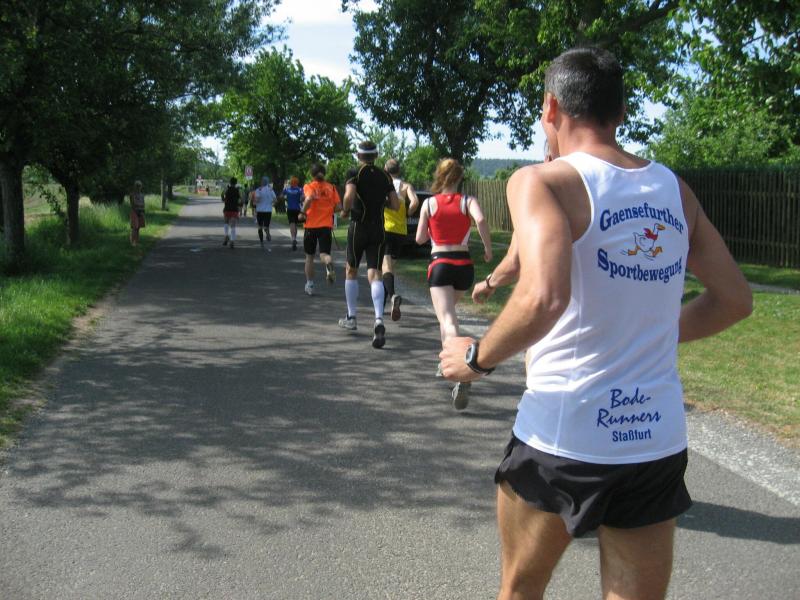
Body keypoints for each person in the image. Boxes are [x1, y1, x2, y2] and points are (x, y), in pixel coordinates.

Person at [439, 47, 753, 600]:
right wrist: (650, 329)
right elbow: (734, 300)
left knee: (521, 589)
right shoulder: (674, 190)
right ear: (621, 111)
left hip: (564, 435)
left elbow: (543, 296)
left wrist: (475, 360)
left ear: (551, 107)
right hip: (653, 441)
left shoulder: (541, 182)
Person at [415, 158, 492, 409]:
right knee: (445, 315)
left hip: (440, 264)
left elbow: (419, 238)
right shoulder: (467, 201)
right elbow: (481, 220)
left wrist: (432, 229)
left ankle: (462, 371)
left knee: (447, 319)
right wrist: (488, 249)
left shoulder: (429, 203)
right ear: (459, 177)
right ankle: (445, 362)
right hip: (464, 267)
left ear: (439, 176)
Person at [338, 140, 400, 349]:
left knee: (351, 270)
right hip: (378, 228)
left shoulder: (354, 173)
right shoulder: (385, 176)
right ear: (376, 155)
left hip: (359, 227)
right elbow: (395, 204)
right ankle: (378, 319)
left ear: (358, 156)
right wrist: (381, 202)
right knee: (375, 273)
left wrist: (345, 210)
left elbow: (349, 196)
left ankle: (351, 317)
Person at [382, 158, 419, 321]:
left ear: (386, 170)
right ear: (399, 170)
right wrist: (408, 212)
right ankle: (383, 304)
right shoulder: (406, 186)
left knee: (385, 267)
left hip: (386, 229)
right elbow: (415, 202)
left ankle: (392, 296)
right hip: (400, 231)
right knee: (389, 268)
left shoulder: (384, 185)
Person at [301, 164, 341, 296]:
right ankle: (328, 264)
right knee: (324, 254)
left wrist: (302, 213)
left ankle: (310, 285)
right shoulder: (331, 187)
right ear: (325, 173)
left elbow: (309, 199)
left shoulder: (309, 186)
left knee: (309, 257)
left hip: (311, 226)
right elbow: (339, 207)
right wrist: (329, 209)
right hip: (325, 226)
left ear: (312, 175)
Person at [254, 176, 276, 252]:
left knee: (259, 227)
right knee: (266, 226)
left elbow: (257, 200)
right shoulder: (271, 189)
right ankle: (267, 232)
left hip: (260, 210)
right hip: (268, 211)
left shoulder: (258, 190)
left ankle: (261, 242)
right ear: (267, 182)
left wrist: (255, 201)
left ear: (262, 182)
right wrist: (271, 204)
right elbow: (275, 199)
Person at [284, 176, 305, 251]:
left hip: (290, 209)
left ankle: (293, 238)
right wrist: (300, 200)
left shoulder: (287, 189)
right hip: (297, 209)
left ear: (291, 183)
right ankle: (294, 238)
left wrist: (287, 198)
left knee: (292, 223)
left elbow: (281, 196)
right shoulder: (300, 189)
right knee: (295, 224)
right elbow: (303, 198)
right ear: (297, 183)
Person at [221, 177, 240, 249]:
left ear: (230, 182)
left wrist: (224, 197)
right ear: (236, 183)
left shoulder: (227, 189)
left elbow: (222, 197)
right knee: (233, 226)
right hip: (234, 209)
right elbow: (240, 200)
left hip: (227, 208)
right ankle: (232, 241)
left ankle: (226, 236)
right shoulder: (237, 190)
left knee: (226, 223)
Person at [129, 180, 146, 246]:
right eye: (137, 185)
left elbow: (143, 204)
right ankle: (132, 242)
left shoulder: (142, 195)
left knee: (138, 228)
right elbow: (133, 204)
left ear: (141, 186)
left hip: (141, 212)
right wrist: (140, 204)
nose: (138, 187)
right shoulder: (132, 194)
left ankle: (136, 242)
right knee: (134, 227)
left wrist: (141, 206)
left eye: (139, 186)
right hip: (134, 212)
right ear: (135, 186)